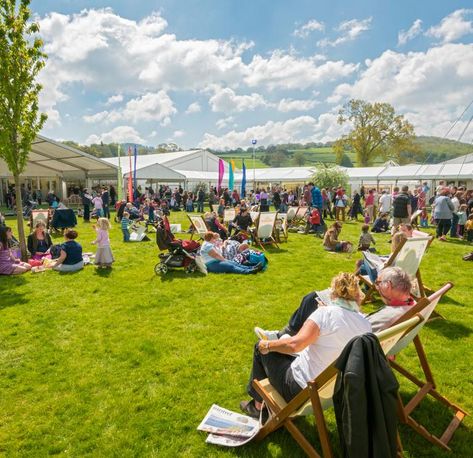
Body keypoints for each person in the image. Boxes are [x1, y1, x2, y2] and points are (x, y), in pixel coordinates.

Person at [241, 272, 371, 418]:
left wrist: (267, 344)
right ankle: (265, 404)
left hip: (298, 390)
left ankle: (259, 407)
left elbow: (295, 345)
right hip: (330, 390)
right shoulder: (365, 324)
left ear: (333, 293)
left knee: (261, 348)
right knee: (283, 350)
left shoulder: (325, 314)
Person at [255, 267, 414, 347]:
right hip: (354, 333)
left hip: (343, 343)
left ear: (388, 285)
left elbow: (360, 333)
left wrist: (329, 311)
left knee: (312, 299)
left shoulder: (392, 314)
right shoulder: (408, 306)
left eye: (379, 283)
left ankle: (283, 336)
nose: (377, 287)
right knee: (316, 298)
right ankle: (283, 333)